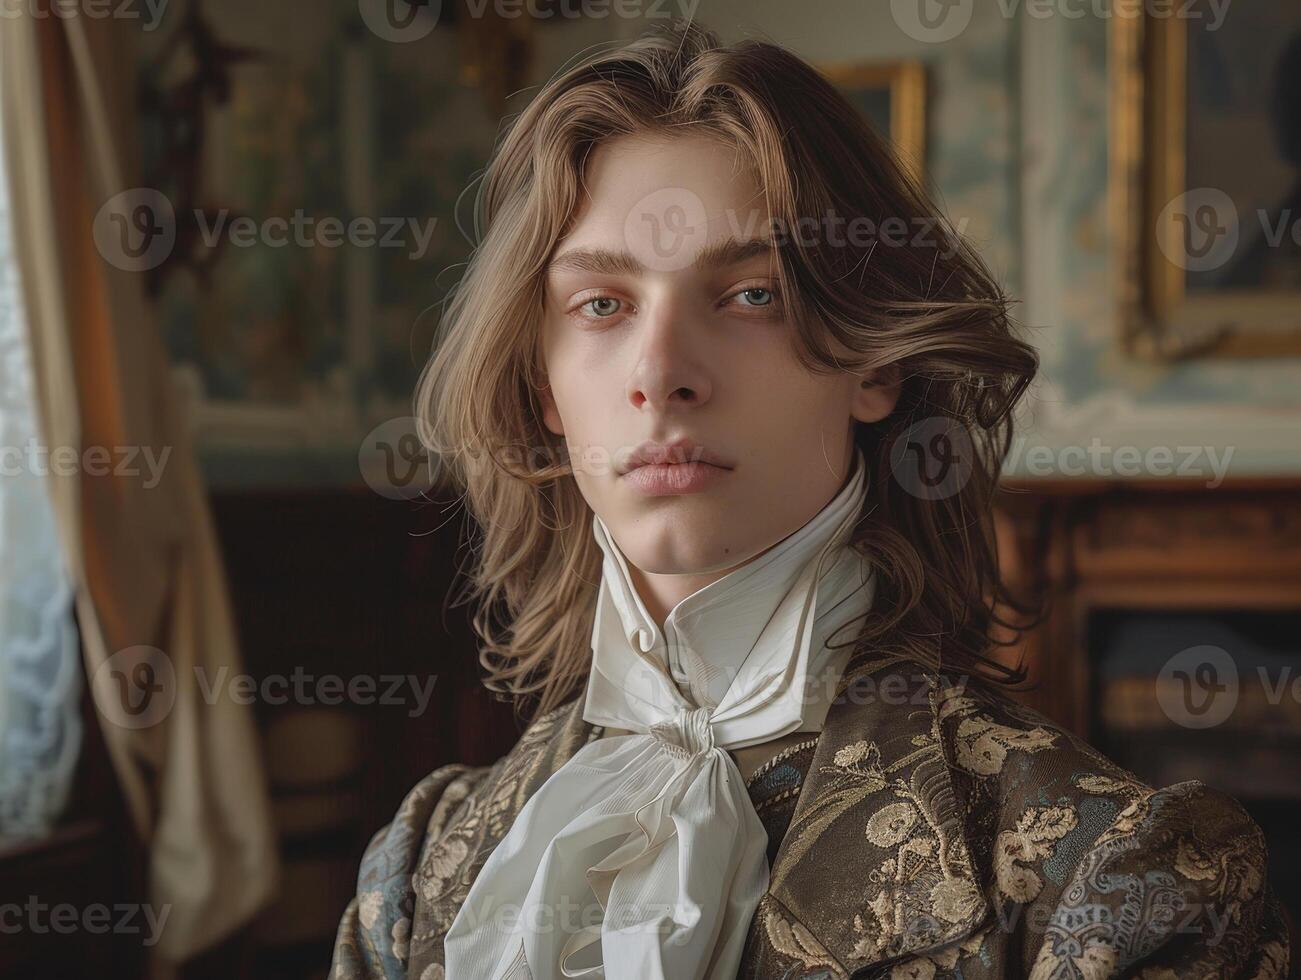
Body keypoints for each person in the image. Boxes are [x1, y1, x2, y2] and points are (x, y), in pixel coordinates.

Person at [330, 21, 1290, 980]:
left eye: (751, 295)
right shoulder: (420, 873)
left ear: (873, 359)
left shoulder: (1115, 879)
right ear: (543, 385)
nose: (660, 375)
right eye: (602, 305)